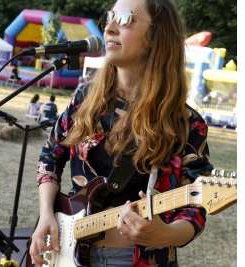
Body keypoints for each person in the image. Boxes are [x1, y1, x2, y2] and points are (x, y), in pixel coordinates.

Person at [28, 0, 213, 266]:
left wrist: (167, 235)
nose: (109, 27)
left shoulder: (186, 124)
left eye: (125, 18)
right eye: (110, 17)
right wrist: (46, 214)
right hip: (67, 252)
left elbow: (196, 205)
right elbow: (51, 155)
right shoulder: (84, 98)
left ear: (155, 37)